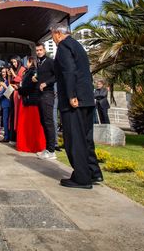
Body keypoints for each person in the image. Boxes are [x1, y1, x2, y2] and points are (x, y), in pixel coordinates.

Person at [51, 25, 102, 189]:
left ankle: (82, 178)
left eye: (53, 35)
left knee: (74, 139)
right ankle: (93, 172)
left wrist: (72, 95)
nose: (53, 38)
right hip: (86, 99)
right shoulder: (77, 45)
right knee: (86, 138)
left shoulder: (64, 46)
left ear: (58, 34)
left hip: (74, 101)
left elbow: (69, 71)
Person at [16, 56, 46, 153]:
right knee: (32, 125)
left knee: (30, 126)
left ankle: (31, 146)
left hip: (30, 101)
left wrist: (19, 90)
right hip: (31, 100)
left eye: (27, 62)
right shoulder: (30, 72)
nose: (26, 64)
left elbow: (29, 87)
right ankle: (32, 145)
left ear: (30, 62)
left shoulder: (32, 72)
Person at [35, 42, 58, 159]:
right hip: (40, 95)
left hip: (48, 94)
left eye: (40, 50)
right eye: (37, 50)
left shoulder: (50, 61)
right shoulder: (39, 63)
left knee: (48, 121)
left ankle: (52, 150)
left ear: (44, 50)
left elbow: (57, 75)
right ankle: (48, 148)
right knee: (43, 121)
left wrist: (46, 83)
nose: (38, 52)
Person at [8, 56, 26, 143]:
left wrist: (14, 74)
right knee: (12, 114)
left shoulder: (22, 69)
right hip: (12, 93)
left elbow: (22, 80)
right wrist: (9, 76)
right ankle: (12, 136)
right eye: (12, 62)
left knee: (17, 114)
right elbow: (10, 82)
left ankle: (17, 137)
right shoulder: (13, 70)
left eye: (15, 62)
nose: (14, 64)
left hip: (18, 94)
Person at [0, 67, 13, 143]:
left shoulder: (8, 81)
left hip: (7, 103)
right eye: (2, 72)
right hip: (4, 103)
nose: (3, 73)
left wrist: (4, 86)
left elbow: (10, 91)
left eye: (4, 72)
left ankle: (7, 137)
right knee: (5, 120)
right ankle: (6, 136)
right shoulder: (5, 81)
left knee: (6, 120)